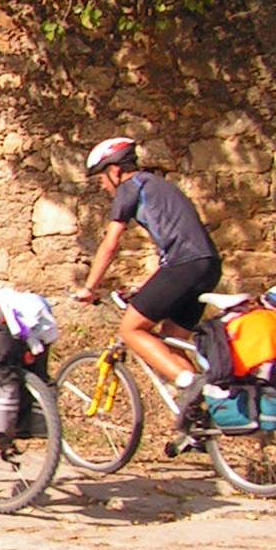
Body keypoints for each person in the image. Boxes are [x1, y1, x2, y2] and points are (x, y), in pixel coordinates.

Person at [70, 137, 221, 396]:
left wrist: (89, 287)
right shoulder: (160, 186)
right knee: (172, 343)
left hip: (183, 266)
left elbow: (110, 244)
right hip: (207, 265)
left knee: (130, 330)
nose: (104, 186)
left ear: (115, 170)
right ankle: (207, 411)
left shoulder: (130, 188)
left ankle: (190, 382)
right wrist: (147, 287)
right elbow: (178, 243)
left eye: (102, 178)